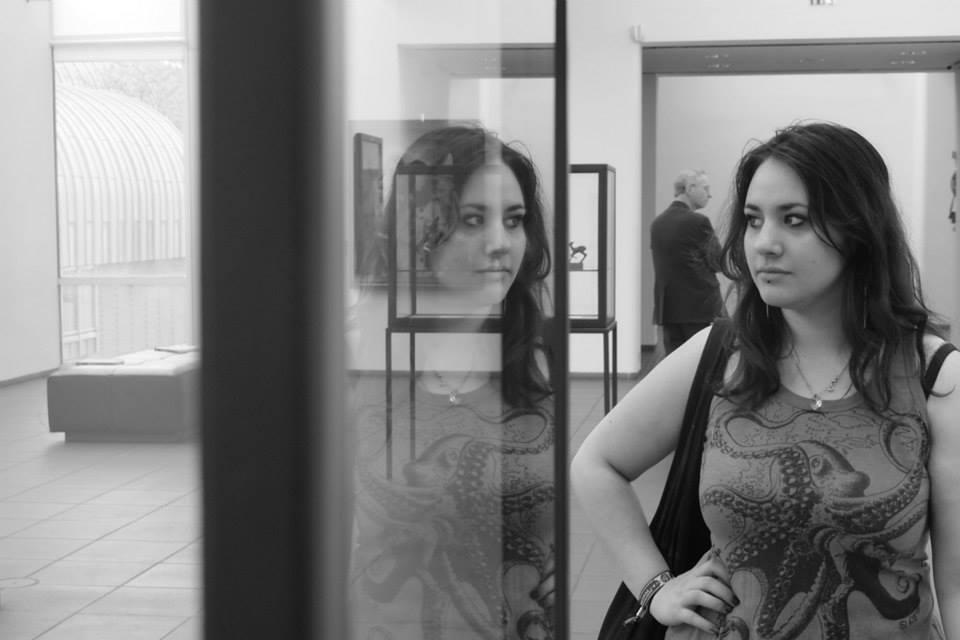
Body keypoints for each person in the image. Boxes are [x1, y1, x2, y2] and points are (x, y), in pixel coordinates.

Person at [571, 122, 960, 639]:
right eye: (753, 221)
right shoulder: (720, 356)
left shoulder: (934, 377)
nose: (764, 244)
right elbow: (596, 464)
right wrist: (656, 587)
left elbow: (956, 582)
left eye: (794, 220)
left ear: (859, 230)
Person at [350, 125, 557, 640]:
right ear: (419, 230)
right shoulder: (360, 365)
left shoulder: (533, 363)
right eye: (472, 220)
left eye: (514, 220)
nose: (500, 244)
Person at [651, 169, 725, 355]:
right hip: (701, 309)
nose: (709, 194)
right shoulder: (698, 222)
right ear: (690, 188)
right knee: (707, 362)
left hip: (668, 310)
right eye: (705, 188)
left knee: (676, 364)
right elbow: (718, 262)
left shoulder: (658, 223)